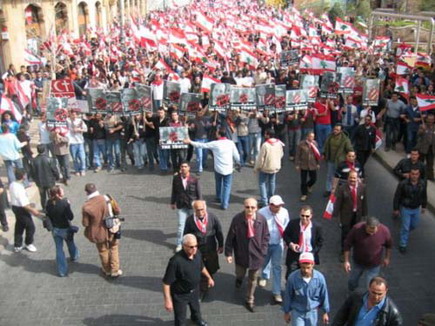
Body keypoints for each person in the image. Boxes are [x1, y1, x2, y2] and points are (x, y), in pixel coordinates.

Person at [224, 198, 270, 312]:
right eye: (247, 207)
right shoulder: (237, 219)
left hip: (256, 255)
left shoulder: (262, 220)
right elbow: (230, 237)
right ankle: (239, 279)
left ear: (257, 208)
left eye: (253, 207)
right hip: (241, 253)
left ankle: (250, 299)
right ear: (244, 207)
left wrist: (263, 251)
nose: (250, 209)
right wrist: (229, 253)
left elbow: (266, 236)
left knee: (253, 279)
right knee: (240, 273)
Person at [162, 233, 214, 326]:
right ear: (184, 246)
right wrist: (168, 300)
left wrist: (209, 277)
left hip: (194, 290)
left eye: (196, 246)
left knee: (196, 309)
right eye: (191, 247)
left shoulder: (197, 253)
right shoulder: (175, 261)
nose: (194, 249)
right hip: (180, 295)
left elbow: (201, 266)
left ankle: (196, 319)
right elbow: (166, 283)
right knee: (180, 318)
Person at [184, 128, 240, 210]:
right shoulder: (231, 143)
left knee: (218, 183)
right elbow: (236, 155)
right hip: (228, 168)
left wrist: (190, 142)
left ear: (219, 135)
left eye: (217, 132)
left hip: (218, 168)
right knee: (227, 186)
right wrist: (238, 162)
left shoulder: (215, 143)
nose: (216, 133)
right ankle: (224, 204)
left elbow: (201, 145)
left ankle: (218, 197)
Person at [183, 200, 224, 299]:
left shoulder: (213, 217)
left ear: (205, 208)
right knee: (200, 269)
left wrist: (221, 245)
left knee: (210, 268)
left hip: (211, 249)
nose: (200, 212)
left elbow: (219, 232)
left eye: (202, 209)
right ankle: (203, 289)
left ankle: (209, 278)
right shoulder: (189, 220)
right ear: (194, 210)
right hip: (197, 250)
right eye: (198, 210)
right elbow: (186, 235)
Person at [82, 183, 122, 277]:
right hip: (112, 228)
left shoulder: (86, 206)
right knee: (113, 247)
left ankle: (107, 270)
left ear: (86, 193)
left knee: (103, 251)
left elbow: (85, 223)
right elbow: (118, 210)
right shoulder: (107, 198)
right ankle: (115, 270)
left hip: (97, 233)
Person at [343, 217, 392, 292]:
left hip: (374, 265)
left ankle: (368, 300)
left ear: (378, 226)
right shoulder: (356, 229)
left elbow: (389, 245)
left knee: (370, 286)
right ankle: (351, 292)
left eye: (374, 230)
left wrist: (387, 258)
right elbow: (347, 244)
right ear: (366, 225)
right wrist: (346, 261)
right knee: (352, 281)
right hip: (358, 262)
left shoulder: (384, 231)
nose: (371, 233)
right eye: (369, 230)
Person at [257, 195, 290, 303]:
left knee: (277, 267)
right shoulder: (261, 213)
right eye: (276, 206)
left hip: (278, 243)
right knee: (264, 261)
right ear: (270, 205)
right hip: (265, 243)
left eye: (280, 205)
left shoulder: (284, 212)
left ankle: (277, 292)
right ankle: (264, 275)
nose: (278, 208)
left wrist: (286, 240)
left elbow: (287, 225)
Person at [283, 252, 330, 326]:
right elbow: (288, 295)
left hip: (312, 312)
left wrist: (325, 312)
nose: (306, 270)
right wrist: (286, 312)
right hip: (297, 312)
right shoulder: (292, 278)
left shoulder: (320, 278)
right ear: (300, 265)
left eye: (308, 268)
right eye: (303, 267)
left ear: (313, 265)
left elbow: (324, 295)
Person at [332, 277, 403, 326]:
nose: (376, 297)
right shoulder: (356, 297)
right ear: (369, 288)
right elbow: (341, 315)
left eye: (380, 294)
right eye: (374, 292)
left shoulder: (393, 313)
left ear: (386, 291)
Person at [333, 170, 368, 260]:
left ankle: (356, 250)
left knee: (357, 232)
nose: (353, 180)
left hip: (357, 215)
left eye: (354, 178)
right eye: (351, 177)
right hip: (346, 215)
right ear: (348, 178)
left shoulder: (362, 187)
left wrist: (364, 213)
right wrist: (336, 213)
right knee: (345, 234)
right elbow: (338, 202)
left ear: (357, 178)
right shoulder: (342, 188)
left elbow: (364, 201)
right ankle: (343, 252)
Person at [45, 185, 79, 277]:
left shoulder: (48, 203)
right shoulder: (64, 203)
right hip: (65, 228)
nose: (63, 191)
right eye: (61, 190)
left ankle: (62, 271)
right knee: (70, 242)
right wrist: (68, 205)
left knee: (59, 249)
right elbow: (70, 217)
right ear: (58, 193)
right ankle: (74, 256)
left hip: (55, 230)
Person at [283, 205, 323, 280]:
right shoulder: (293, 223)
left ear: (311, 216)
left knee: (307, 277)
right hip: (294, 255)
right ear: (299, 215)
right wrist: (291, 244)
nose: (304, 218)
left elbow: (320, 242)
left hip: (308, 255)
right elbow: (285, 235)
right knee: (290, 277)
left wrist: (313, 252)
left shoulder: (317, 226)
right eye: (302, 215)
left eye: (307, 216)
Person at [393, 168, 427, 254]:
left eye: (416, 174)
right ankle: (403, 244)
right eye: (413, 174)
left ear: (418, 175)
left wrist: (424, 206)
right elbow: (397, 196)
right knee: (405, 227)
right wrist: (396, 208)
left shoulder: (422, 184)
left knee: (414, 225)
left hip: (416, 208)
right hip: (406, 208)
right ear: (410, 174)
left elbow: (424, 195)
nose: (414, 176)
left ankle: (404, 232)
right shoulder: (403, 184)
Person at [9, 169, 44, 252]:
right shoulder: (19, 188)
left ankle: (17, 245)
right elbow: (24, 204)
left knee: (19, 226)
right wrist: (34, 211)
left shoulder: (12, 184)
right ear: (23, 176)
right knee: (30, 227)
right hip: (21, 209)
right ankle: (29, 243)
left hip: (15, 207)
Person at [171, 162, 202, 252]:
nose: (183, 168)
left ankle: (195, 243)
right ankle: (179, 244)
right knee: (181, 225)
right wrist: (172, 202)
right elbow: (174, 191)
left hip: (192, 206)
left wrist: (200, 204)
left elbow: (199, 192)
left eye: (185, 166)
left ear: (189, 168)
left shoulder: (194, 179)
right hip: (181, 205)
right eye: (182, 166)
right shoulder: (176, 178)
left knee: (195, 225)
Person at [254, 129, 284, 207]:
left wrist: (257, 167)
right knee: (272, 181)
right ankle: (270, 197)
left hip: (266, 167)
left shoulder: (265, 145)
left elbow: (261, 158)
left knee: (262, 183)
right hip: (275, 166)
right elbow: (281, 154)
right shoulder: (279, 143)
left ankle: (264, 200)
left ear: (268, 135)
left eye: (265, 134)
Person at [323, 124, 353, 197]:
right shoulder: (330, 136)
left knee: (339, 177)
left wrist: (350, 158)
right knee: (330, 175)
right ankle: (328, 190)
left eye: (337, 130)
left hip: (340, 161)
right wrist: (324, 153)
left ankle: (339, 191)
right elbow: (326, 145)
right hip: (331, 159)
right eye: (334, 129)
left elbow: (350, 149)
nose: (335, 131)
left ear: (341, 131)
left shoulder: (345, 140)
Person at [295, 132, 321, 201]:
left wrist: (318, 163)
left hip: (312, 164)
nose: (312, 138)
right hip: (304, 164)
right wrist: (297, 164)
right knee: (303, 180)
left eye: (313, 137)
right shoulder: (301, 144)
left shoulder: (315, 144)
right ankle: (304, 194)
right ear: (307, 137)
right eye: (310, 137)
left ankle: (308, 185)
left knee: (314, 179)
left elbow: (317, 154)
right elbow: (298, 155)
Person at [32, 144, 59, 209]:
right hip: (50, 181)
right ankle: (53, 207)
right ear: (44, 150)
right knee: (52, 195)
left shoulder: (34, 160)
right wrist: (57, 177)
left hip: (40, 182)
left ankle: (44, 208)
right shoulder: (49, 159)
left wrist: (35, 180)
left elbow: (33, 172)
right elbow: (54, 170)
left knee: (42, 197)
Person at [67, 110, 87, 176]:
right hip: (72, 142)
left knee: (82, 158)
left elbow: (85, 129)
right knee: (75, 158)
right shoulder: (67, 121)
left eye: (75, 114)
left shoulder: (80, 121)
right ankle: (77, 170)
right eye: (72, 114)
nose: (73, 116)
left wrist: (79, 130)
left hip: (80, 141)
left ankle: (83, 169)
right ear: (70, 115)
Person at [416, 114, 435, 181]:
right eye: (429, 119)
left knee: (430, 163)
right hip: (423, 147)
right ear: (426, 119)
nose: (430, 121)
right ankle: (419, 175)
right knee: (421, 162)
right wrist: (422, 130)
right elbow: (418, 134)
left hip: (431, 148)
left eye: (432, 120)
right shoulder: (422, 126)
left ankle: (430, 176)